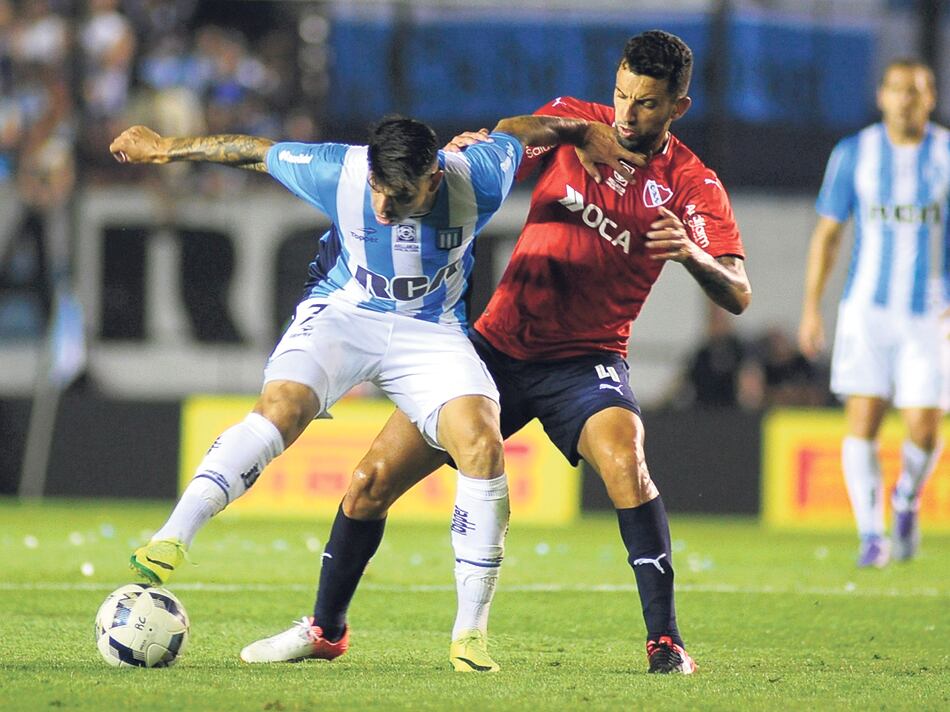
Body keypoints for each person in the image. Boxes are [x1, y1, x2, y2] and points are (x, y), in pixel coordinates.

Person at [288, 29, 751, 675]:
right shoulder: (579, 121)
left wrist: (693, 254)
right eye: (619, 95)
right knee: (368, 483)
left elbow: (738, 292)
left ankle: (666, 643)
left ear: (678, 106)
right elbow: (508, 132)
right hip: (493, 351)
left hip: (585, 362)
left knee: (626, 463)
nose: (624, 113)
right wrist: (565, 131)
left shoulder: (691, 185)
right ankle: (325, 628)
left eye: (645, 103)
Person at [109, 113, 640, 670]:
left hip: (430, 332)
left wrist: (579, 132)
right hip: (344, 314)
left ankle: (470, 635)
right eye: (378, 193)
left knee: (482, 444)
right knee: (282, 407)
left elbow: (520, 129)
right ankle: (172, 537)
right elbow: (252, 151)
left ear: (434, 179)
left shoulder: (478, 176)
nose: (383, 209)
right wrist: (165, 148)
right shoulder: (341, 170)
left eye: (400, 196)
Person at [798, 59, 948, 568]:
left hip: (932, 314)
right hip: (866, 310)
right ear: (882, 96)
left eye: (918, 90)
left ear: (931, 98)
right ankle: (871, 536)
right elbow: (828, 234)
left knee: (925, 428)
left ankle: (906, 498)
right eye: (898, 89)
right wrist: (812, 310)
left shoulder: (948, 155)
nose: (907, 98)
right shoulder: (854, 153)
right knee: (861, 420)